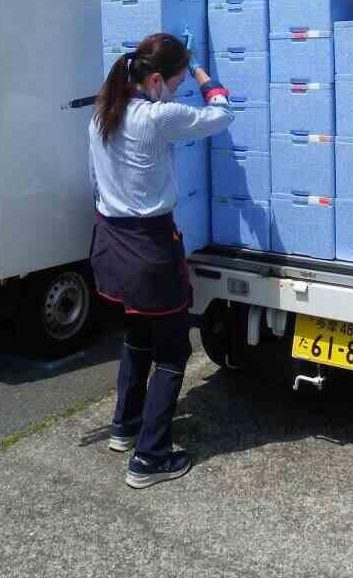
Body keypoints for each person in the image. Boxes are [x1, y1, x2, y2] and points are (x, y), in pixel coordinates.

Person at [89, 31, 233, 489]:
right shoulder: (157, 117)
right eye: (173, 83)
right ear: (154, 81)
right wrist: (205, 77)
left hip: (112, 245)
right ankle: (150, 458)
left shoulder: (102, 115)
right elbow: (221, 116)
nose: (176, 92)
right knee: (173, 352)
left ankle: (125, 427)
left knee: (136, 337)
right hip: (151, 249)